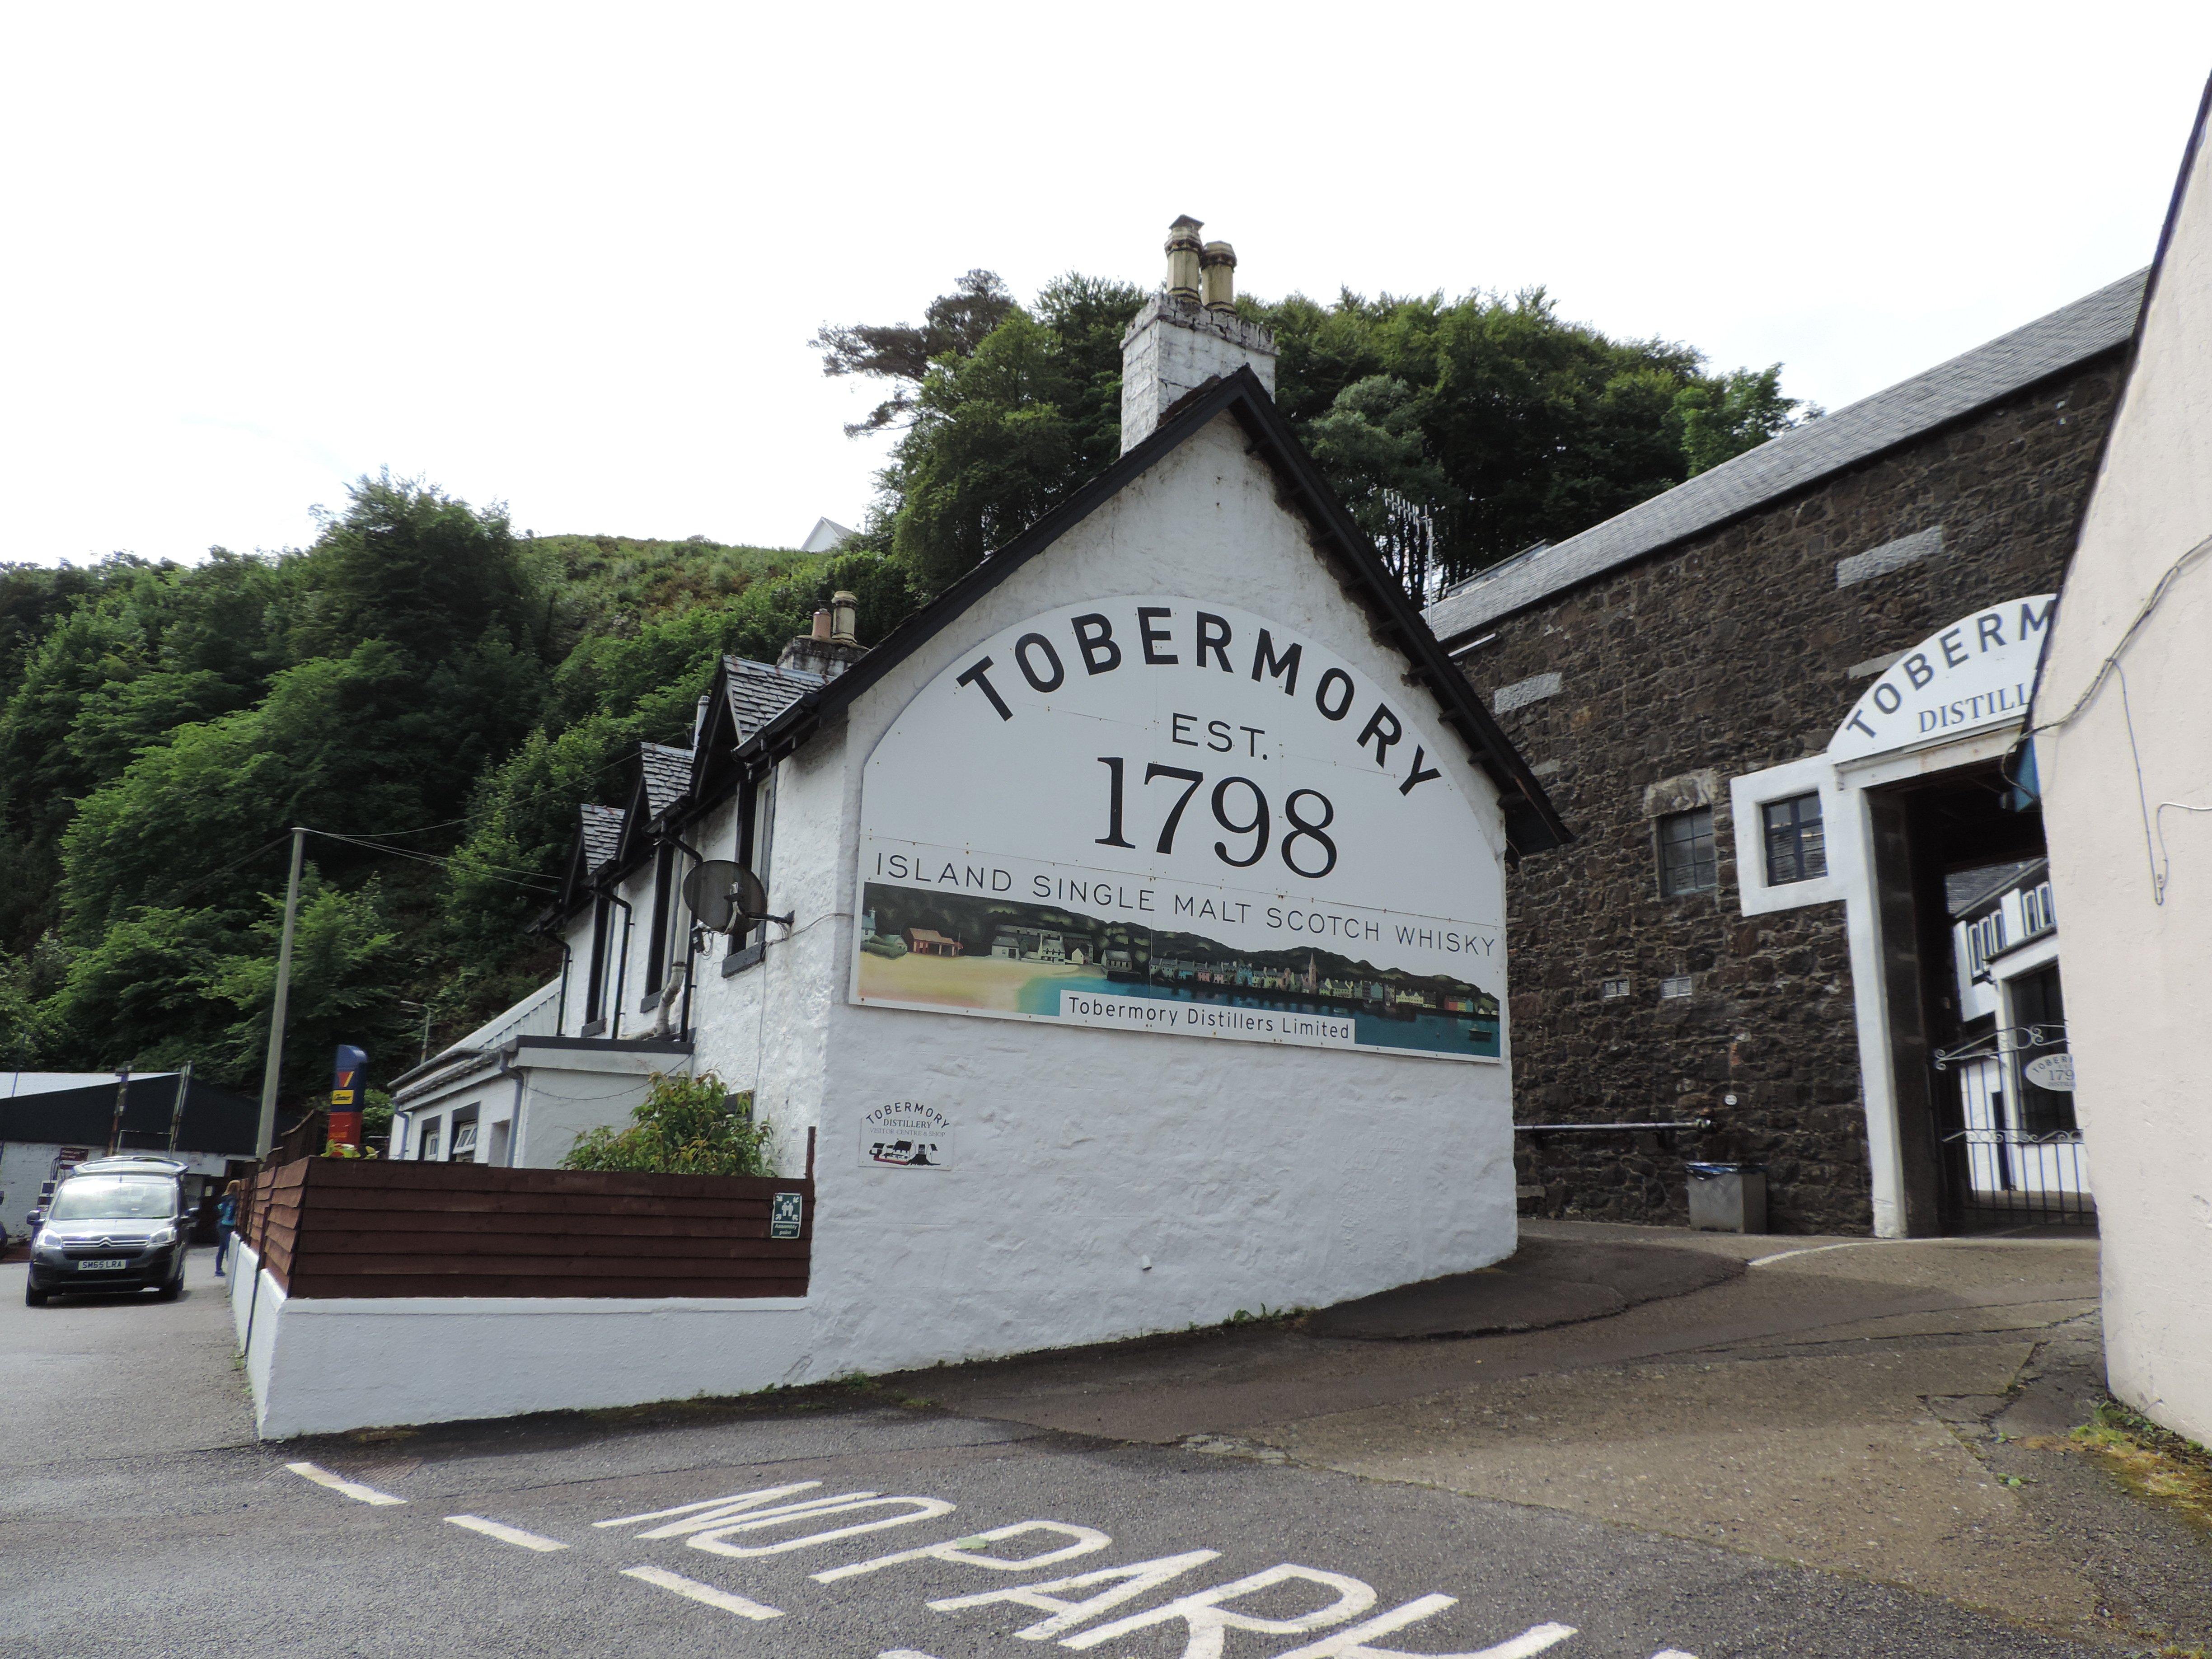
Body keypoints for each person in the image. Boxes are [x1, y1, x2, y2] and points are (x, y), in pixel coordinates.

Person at [214, 1181, 240, 1279]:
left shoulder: (224, 1197)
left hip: (221, 1223)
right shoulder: (233, 1199)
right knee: (228, 1247)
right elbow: (231, 1209)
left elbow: (219, 1208)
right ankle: (230, 1270)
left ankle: (218, 1269)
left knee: (222, 1247)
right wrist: (231, 1218)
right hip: (227, 1225)